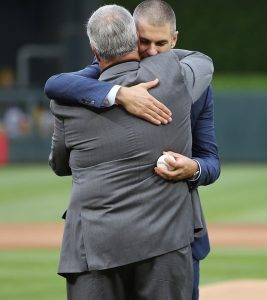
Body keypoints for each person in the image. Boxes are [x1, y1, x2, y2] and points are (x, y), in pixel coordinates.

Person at [44, 1, 220, 299]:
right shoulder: (183, 76)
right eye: (144, 42)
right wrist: (117, 93)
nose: (152, 51)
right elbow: (58, 83)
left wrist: (195, 168)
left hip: (137, 239)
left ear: (174, 39)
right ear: (131, 38)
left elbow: (211, 160)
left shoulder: (189, 80)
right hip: (167, 239)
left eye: (161, 43)